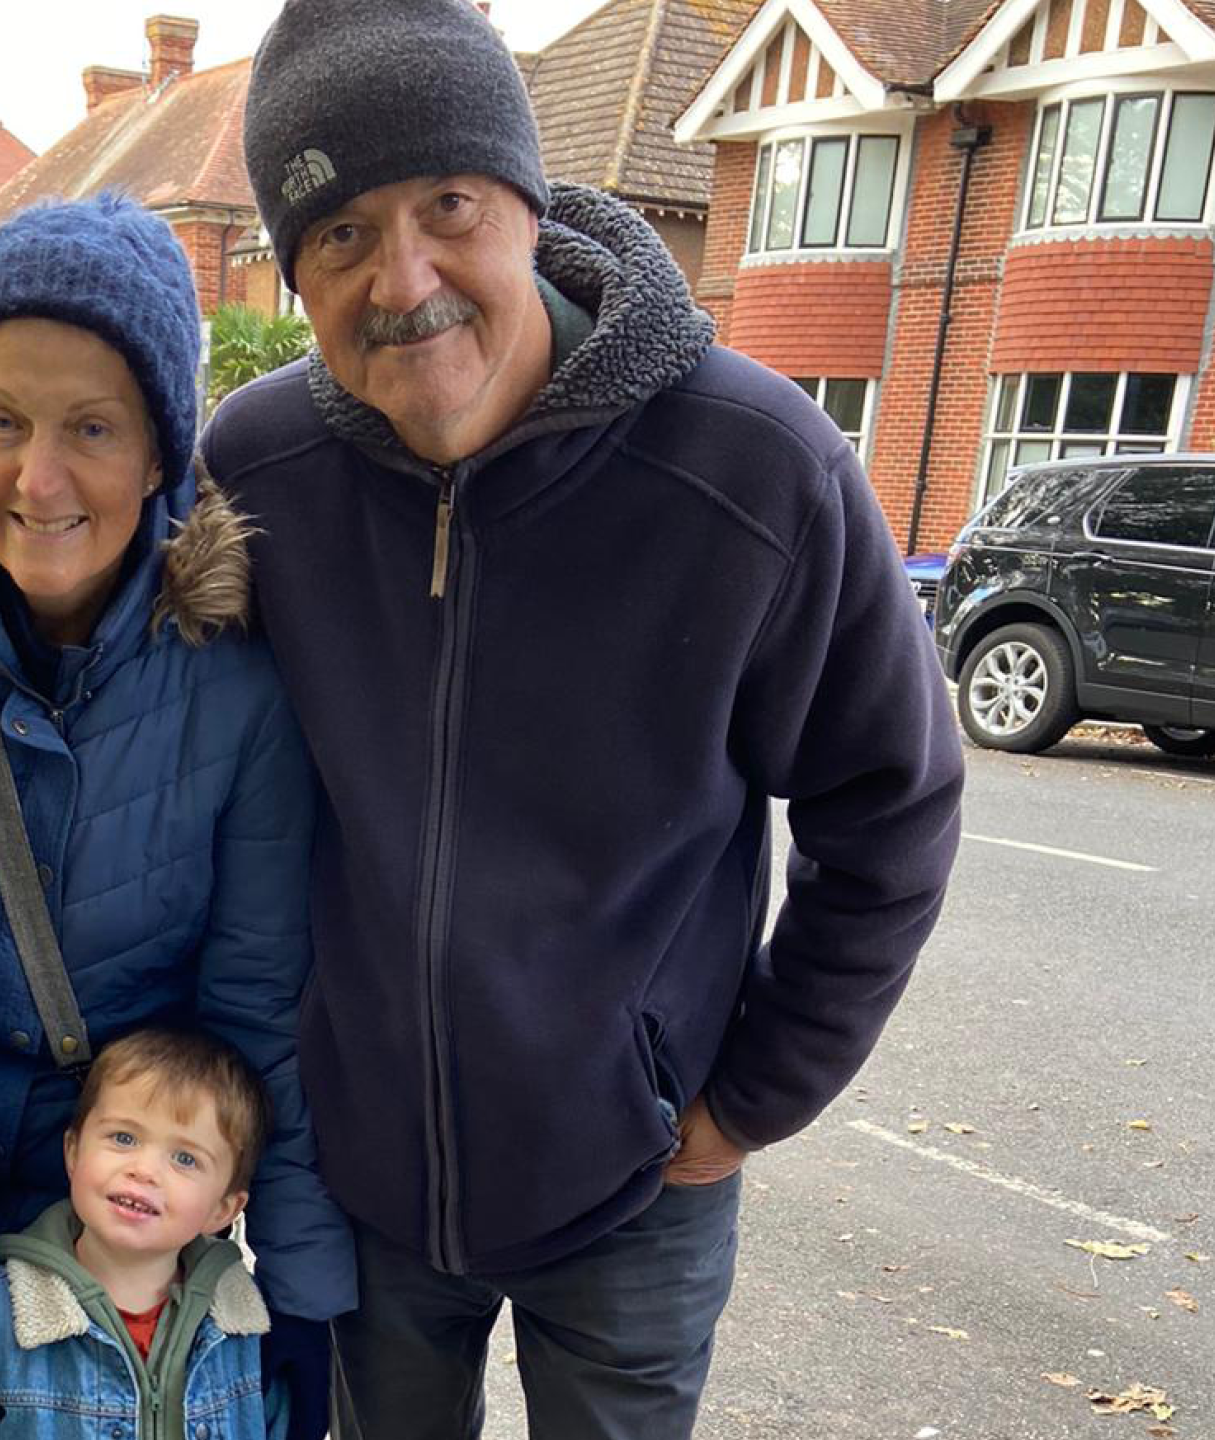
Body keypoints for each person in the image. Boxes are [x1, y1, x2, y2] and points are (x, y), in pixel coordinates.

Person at [202, 1, 966, 1435]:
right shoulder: (258, 470)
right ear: (294, 274)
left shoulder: (753, 469)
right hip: (358, 1175)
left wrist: (750, 1097)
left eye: (447, 206)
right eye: (342, 237)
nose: (404, 276)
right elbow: (146, 728)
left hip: (631, 1190)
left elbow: (895, 799)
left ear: (528, 208)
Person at [0, 193, 355, 1439]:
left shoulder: (232, 668)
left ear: (159, 452)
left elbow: (261, 1000)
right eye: (2, 420)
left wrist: (304, 1296)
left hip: (107, 1213)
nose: (39, 480)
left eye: (92, 427)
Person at [0, 1027, 285, 1440]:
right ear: (73, 1153)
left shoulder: (246, 1326)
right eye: (124, 1137)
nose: (144, 1170)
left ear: (223, 1210)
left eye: (185, 1158)